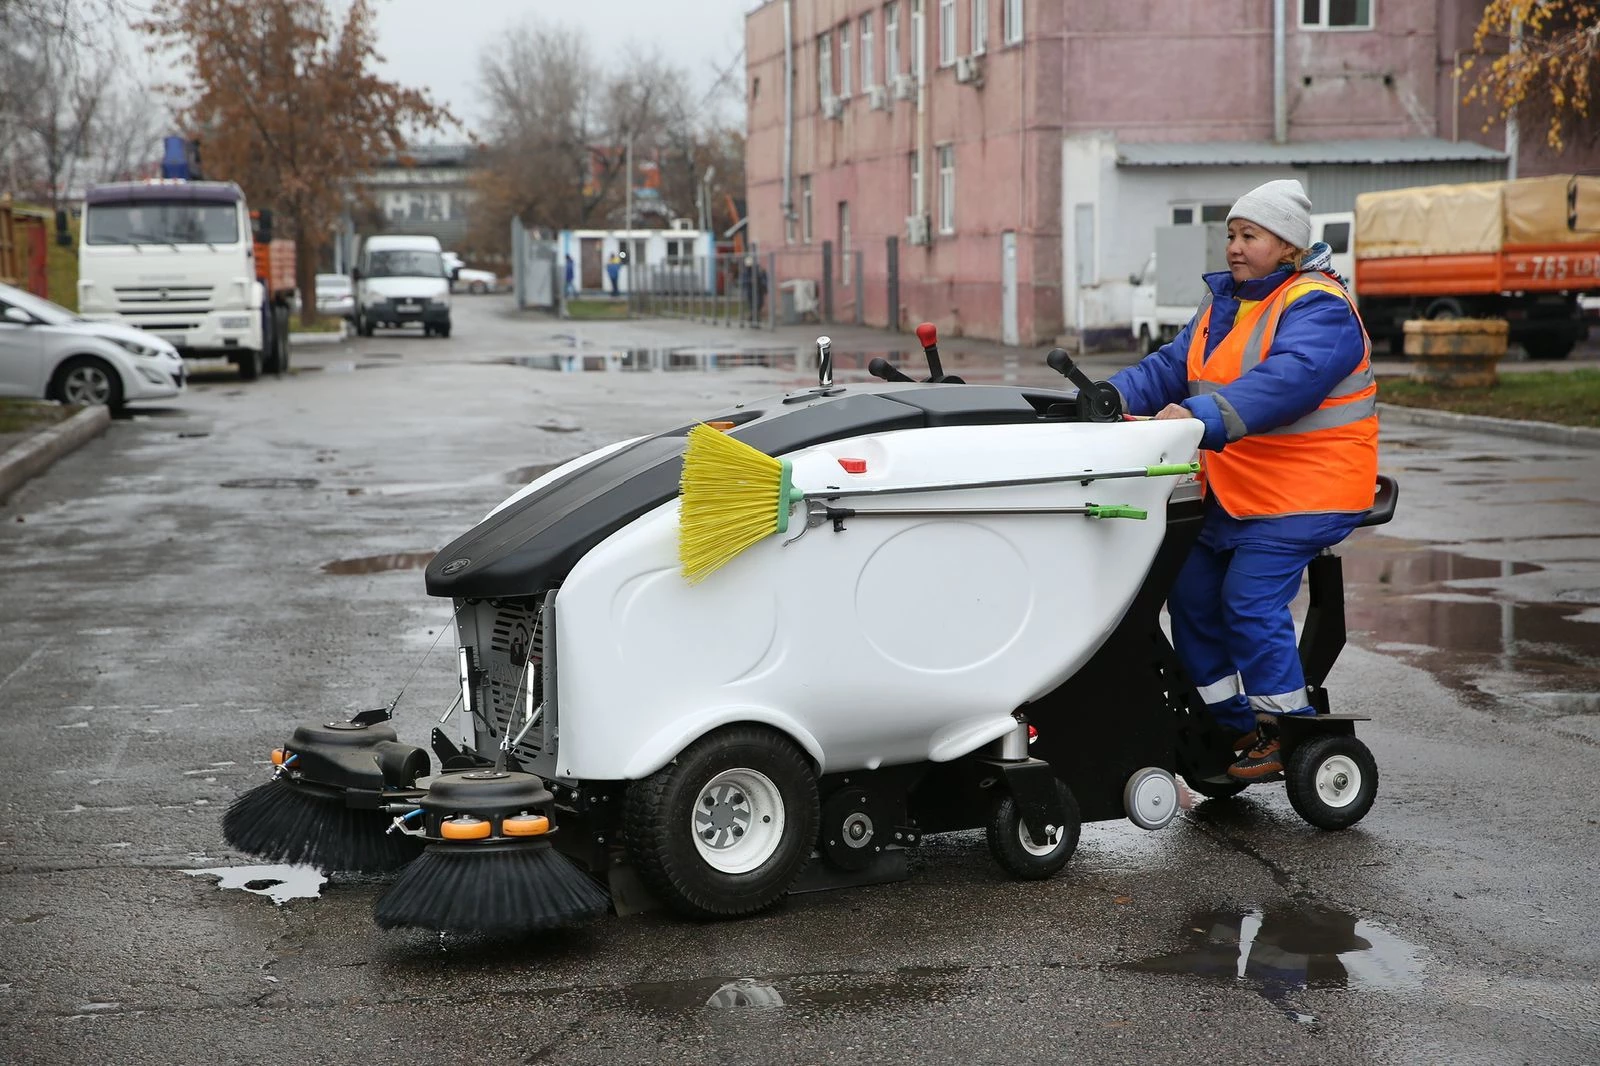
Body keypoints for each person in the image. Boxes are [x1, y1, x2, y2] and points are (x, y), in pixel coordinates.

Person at [1106, 179, 1378, 780]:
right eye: (1230, 234)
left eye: (1248, 234)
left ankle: (1285, 730)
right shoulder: (1224, 305)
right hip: (1237, 489)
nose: (1233, 246)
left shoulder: (1319, 307)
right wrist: (1107, 397)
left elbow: (1285, 382)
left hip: (1309, 491)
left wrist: (1199, 416)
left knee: (1248, 600)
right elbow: (1171, 367)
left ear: (1287, 247)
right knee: (1191, 597)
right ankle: (1231, 728)